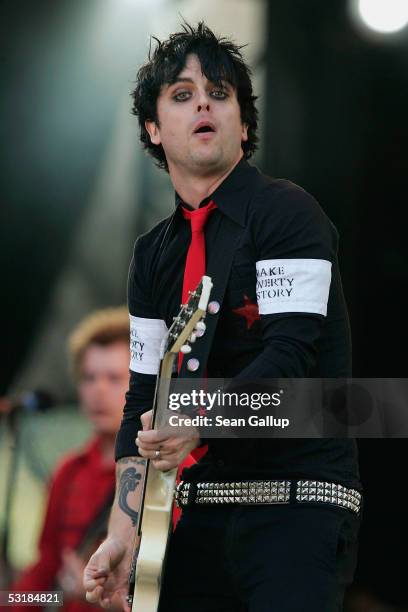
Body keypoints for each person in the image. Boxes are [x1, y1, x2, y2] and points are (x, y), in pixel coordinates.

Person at [83, 22, 362, 612]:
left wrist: (202, 419)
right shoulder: (153, 253)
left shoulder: (288, 211)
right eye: (182, 95)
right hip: (200, 511)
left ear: (244, 123)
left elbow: (294, 356)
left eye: (220, 92)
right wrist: (123, 531)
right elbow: (142, 399)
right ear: (154, 130)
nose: (203, 102)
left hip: (296, 502)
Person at [7, 307, 130, 612]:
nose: (98, 390)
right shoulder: (68, 472)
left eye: (114, 378)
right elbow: (45, 577)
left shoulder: (161, 476)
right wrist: (11, 600)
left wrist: (109, 601)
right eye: (89, 378)